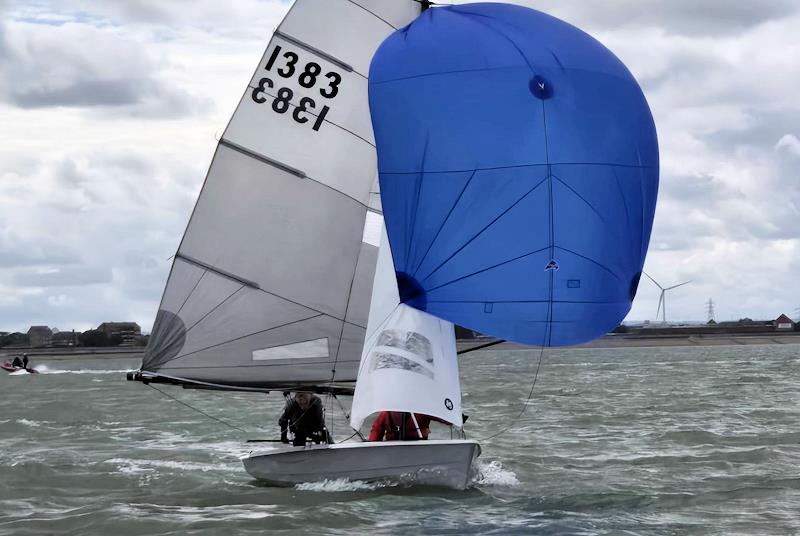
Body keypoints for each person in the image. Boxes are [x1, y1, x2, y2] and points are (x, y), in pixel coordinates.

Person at [368, 411, 450, 442]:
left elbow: (374, 437)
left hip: (393, 453)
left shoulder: (385, 414)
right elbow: (445, 419)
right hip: (419, 451)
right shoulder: (385, 414)